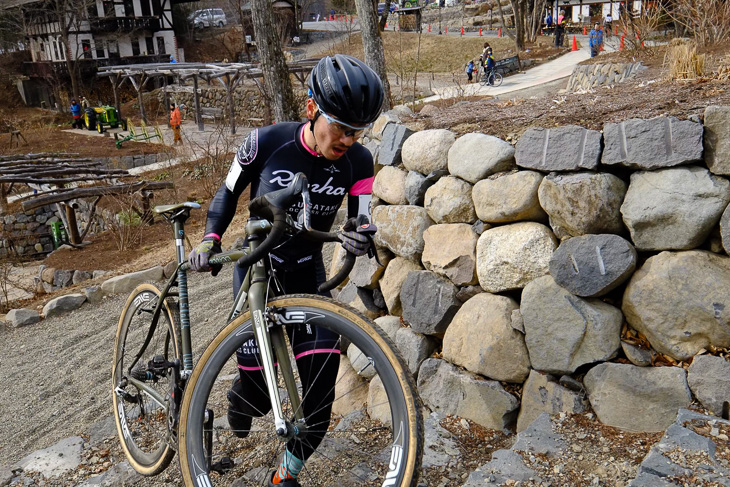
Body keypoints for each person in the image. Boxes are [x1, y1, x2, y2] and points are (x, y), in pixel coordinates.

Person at [188, 54, 383, 487]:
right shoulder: (266, 142)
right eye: (341, 127)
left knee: (319, 391)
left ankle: (285, 476)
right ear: (313, 109)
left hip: (307, 272)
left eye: (358, 131)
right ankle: (241, 401)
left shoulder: (360, 162)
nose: (349, 139)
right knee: (259, 394)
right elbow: (226, 193)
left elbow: (361, 219)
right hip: (258, 266)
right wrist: (209, 240)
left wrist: (360, 236)